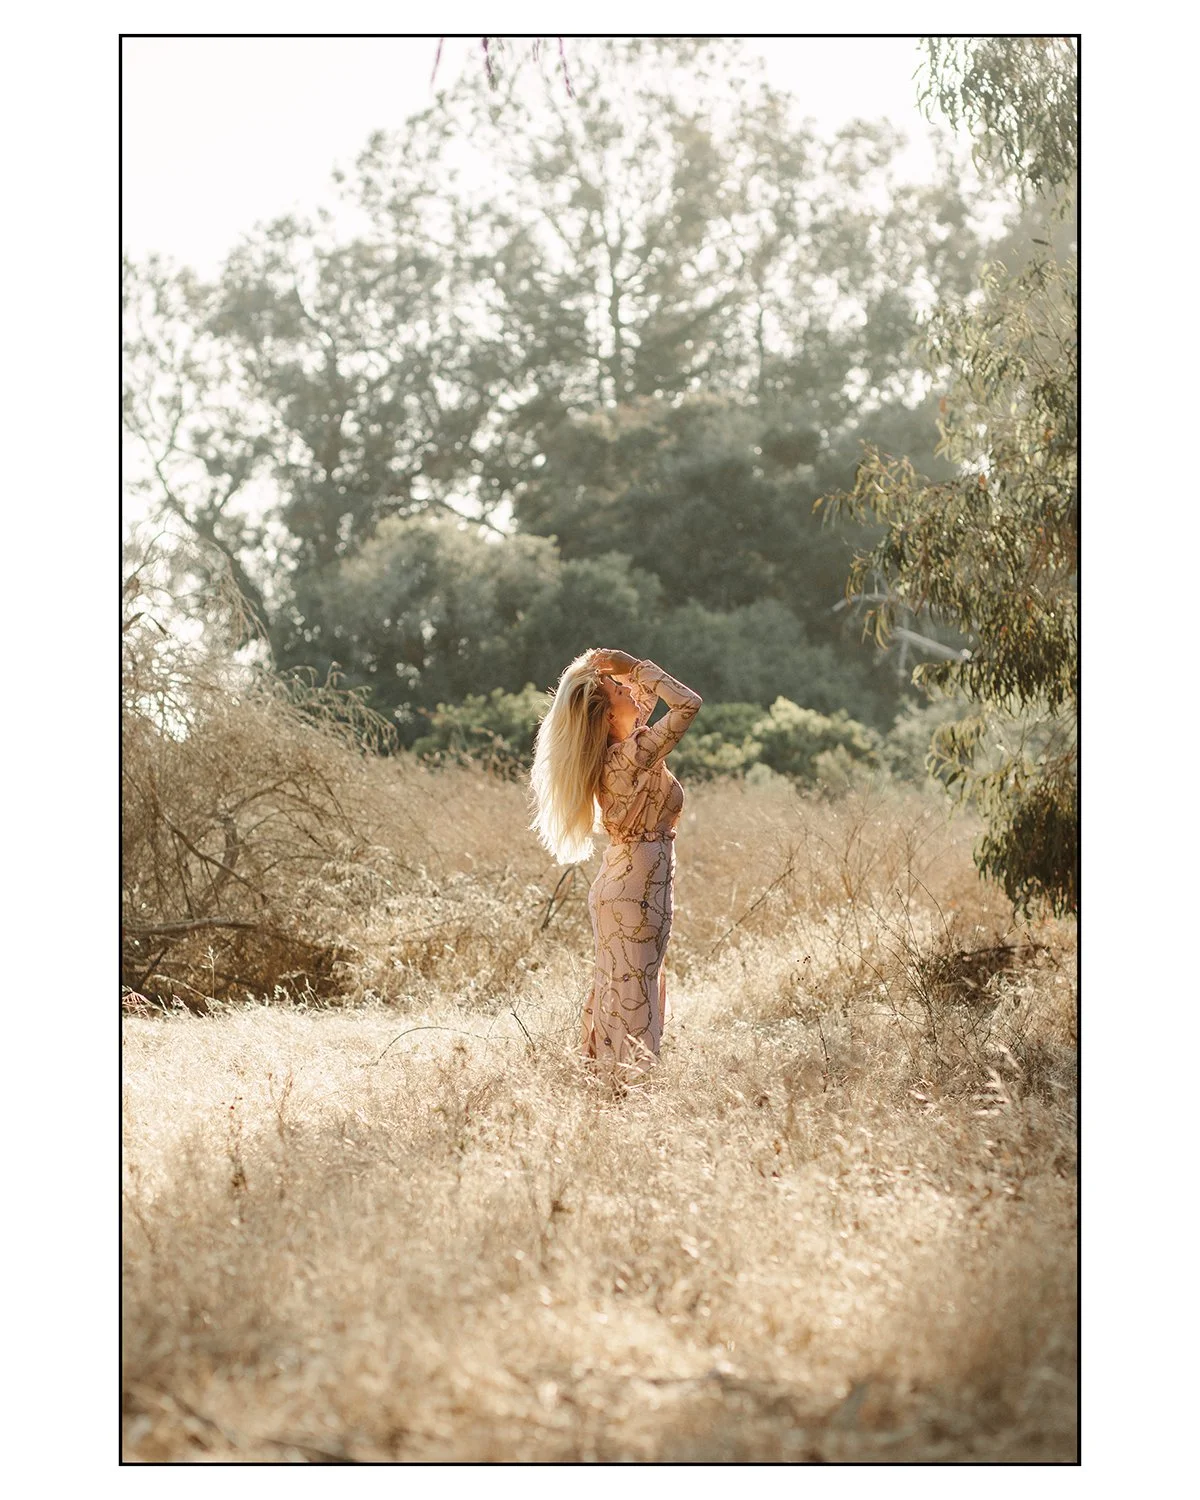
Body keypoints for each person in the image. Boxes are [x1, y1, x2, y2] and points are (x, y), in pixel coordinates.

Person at [528, 648, 703, 1086]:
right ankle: (629, 1092)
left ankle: (604, 1088)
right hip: (635, 891)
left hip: (627, 885)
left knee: (622, 991)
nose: (630, 691)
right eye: (619, 691)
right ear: (607, 716)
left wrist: (619, 668)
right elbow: (687, 704)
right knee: (633, 996)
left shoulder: (624, 747)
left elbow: (642, 698)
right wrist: (638, 667)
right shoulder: (632, 755)